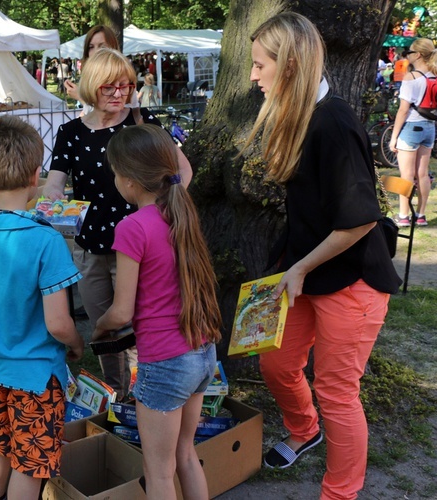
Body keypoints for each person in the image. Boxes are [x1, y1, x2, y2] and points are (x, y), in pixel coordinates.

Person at [244, 13, 401, 499]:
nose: (252, 76)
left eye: (258, 64)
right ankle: (304, 430)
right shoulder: (300, 113)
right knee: (276, 364)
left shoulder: (334, 123)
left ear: (288, 66)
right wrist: (295, 268)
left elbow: (360, 220)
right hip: (306, 274)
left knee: (337, 393)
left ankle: (340, 493)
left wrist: (299, 267)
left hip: (352, 281)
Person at [45, 48, 192, 399]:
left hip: (140, 246)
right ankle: (116, 395)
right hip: (90, 247)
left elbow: (182, 171)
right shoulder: (71, 132)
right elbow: (55, 182)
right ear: (92, 87)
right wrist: (51, 205)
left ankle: (148, 395)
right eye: (109, 87)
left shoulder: (142, 124)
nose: (119, 94)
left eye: (125, 86)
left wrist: (164, 209)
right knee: (103, 328)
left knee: (139, 325)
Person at [94, 124, 221, 500]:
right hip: (201, 354)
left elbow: (120, 313)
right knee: (185, 455)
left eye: (115, 173)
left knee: (159, 473)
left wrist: (98, 328)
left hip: (165, 363)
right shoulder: (181, 208)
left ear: (130, 181)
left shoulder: (132, 227)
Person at [0, 116, 84, 500]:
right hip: (35, 372)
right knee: (31, 466)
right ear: (36, 176)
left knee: (0, 442)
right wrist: (78, 346)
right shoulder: (46, 240)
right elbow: (59, 323)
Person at [388, 38, 437, 227]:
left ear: (417, 55)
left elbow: (403, 110)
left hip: (411, 128)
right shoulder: (434, 75)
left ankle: (403, 216)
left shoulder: (411, 78)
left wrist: (393, 137)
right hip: (429, 128)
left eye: (409, 52)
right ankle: (421, 215)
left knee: (406, 175)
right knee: (422, 174)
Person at [63, 25, 119, 108]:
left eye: (102, 46)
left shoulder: (119, 76)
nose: (96, 51)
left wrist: (80, 97)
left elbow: (108, 116)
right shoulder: (89, 77)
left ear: (112, 47)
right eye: (91, 47)